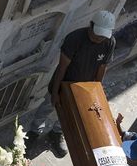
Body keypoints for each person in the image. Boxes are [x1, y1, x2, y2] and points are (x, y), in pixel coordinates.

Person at [28, 10, 116, 157]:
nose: (99, 39)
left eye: (103, 36)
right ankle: (34, 131)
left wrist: (96, 91)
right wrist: (55, 93)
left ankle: (56, 133)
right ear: (91, 25)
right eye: (97, 34)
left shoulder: (109, 42)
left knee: (69, 114)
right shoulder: (74, 39)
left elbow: (102, 67)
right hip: (64, 84)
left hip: (83, 89)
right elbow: (62, 67)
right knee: (46, 109)